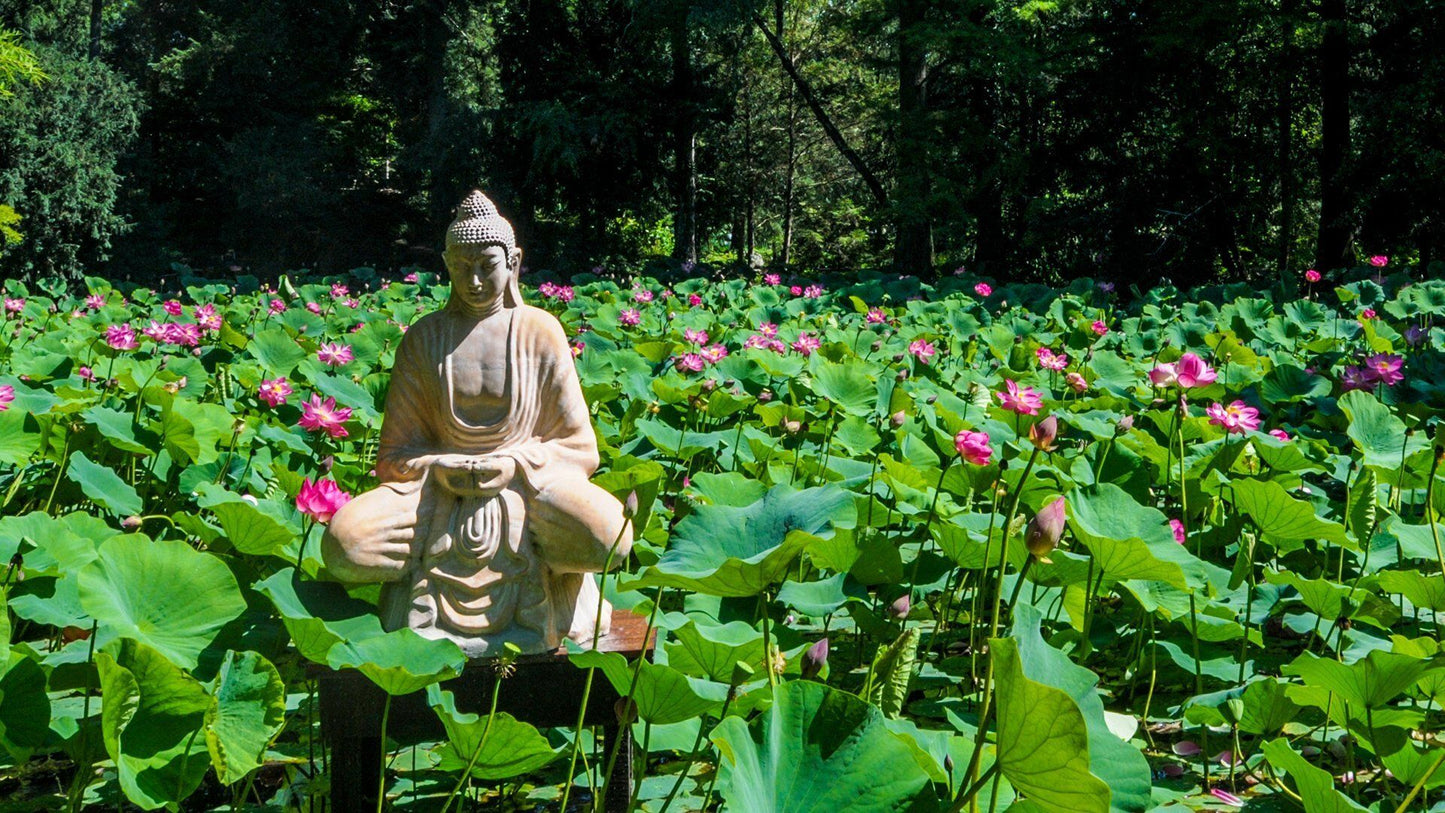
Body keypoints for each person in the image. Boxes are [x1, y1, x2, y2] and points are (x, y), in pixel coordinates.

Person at [322, 191, 632, 656]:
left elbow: (579, 448)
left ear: (514, 262)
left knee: (610, 538)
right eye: (460, 267)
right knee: (344, 546)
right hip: (435, 491)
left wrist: (515, 464)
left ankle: (556, 603)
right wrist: (442, 466)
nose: (474, 280)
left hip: (531, 484)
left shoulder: (539, 331)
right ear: (446, 264)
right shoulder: (425, 338)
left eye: (487, 265)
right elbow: (392, 458)